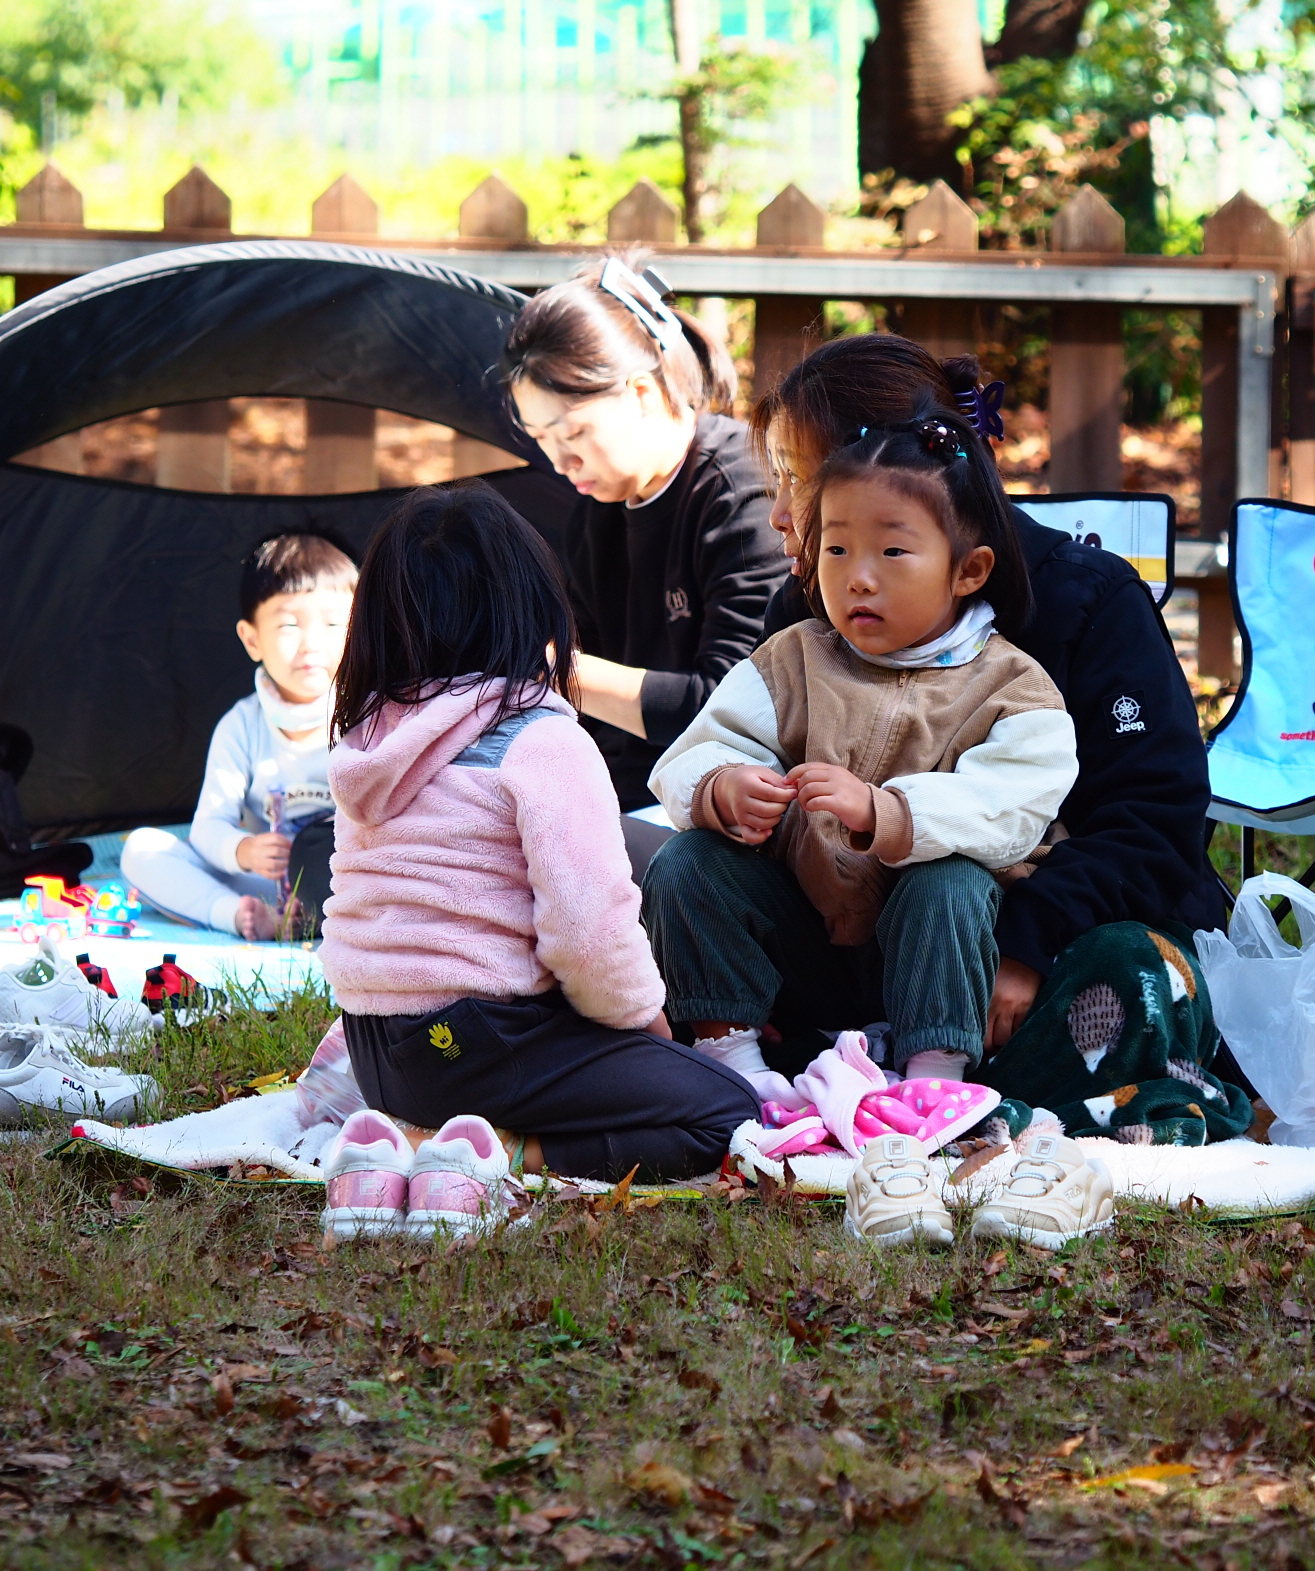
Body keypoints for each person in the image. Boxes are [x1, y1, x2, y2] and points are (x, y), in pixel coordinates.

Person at [748, 337, 1236, 1086]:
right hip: (864, 940)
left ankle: (935, 1077)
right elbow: (755, 776)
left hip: (1053, 936)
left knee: (1127, 972)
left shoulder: (1087, 600)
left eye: (799, 479)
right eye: (776, 480)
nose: (780, 514)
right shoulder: (808, 607)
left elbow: (1155, 824)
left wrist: (1024, 946)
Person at [316, 484, 758, 1188]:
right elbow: (588, 929)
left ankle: (413, 1120)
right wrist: (645, 1023)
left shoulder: (375, 735)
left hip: (374, 1044)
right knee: (727, 1111)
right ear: (532, 608)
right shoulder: (539, 738)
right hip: (477, 1042)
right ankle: (493, 1151)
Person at [643, 410, 1078, 1094]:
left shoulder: (1013, 688)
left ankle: (933, 1081)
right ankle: (735, 1065)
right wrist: (721, 786)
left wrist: (885, 812)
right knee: (688, 861)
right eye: (838, 550)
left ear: (968, 571)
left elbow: (1010, 810)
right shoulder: (793, 659)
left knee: (951, 878)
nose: (859, 578)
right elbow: (699, 748)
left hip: (937, 962)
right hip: (806, 945)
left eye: (892, 552)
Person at [501, 256, 791, 843]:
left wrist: (548, 668)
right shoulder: (596, 513)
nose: (560, 462)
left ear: (641, 392)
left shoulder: (741, 491)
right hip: (613, 797)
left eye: (574, 433)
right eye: (542, 440)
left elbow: (728, 706)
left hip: (723, 806)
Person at [122, 531, 355, 939]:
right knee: (141, 850)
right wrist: (243, 851)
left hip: (345, 881)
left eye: (333, 623)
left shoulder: (367, 716)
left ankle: (331, 920)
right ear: (252, 639)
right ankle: (242, 917)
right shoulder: (242, 726)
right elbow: (208, 826)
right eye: (289, 625)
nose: (311, 643)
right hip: (267, 886)